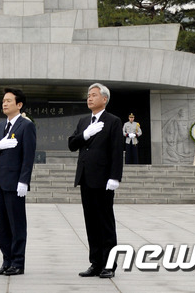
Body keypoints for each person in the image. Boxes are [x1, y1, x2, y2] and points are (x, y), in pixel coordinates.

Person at [68, 83, 123, 279]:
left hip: (104, 179)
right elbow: (72, 144)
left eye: (94, 95)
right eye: (88, 95)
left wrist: (115, 177)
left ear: (104, 99)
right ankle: (96, 262)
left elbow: (117, 151)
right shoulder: (84, 121)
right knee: (91, 222)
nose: (89, 98)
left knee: (105, 222)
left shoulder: (113, 121)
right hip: (86, 177)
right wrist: (85, 134)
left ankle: (109, 264)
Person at [0, 87, 37, 276]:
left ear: (19, 104)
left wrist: (24, 181)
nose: (4, 103)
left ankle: (18, 263)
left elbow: (28, 156)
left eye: (8, 100)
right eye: (3, 100)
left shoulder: (26, 125)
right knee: (3, 226)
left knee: (17, 225)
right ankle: (6, 261)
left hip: (15, 183)